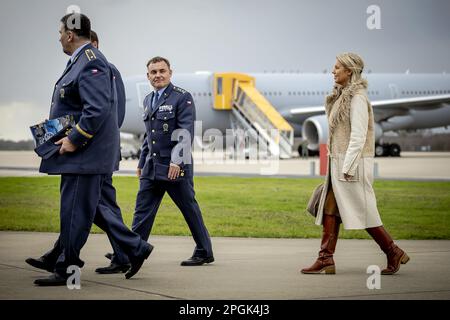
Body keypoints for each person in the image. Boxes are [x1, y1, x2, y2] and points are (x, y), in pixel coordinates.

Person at [29, 13, 152, 286]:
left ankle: (66, 270)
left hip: (84, 154)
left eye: (60, 32)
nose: (59, 37)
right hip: (81, 154)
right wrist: (46, 136)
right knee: (86, 210)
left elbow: (97, 110)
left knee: (75, 213)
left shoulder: (91, 63)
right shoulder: (79, 63)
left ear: (70, 34)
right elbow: (75, 108)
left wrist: (74, 139)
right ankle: (134, 248)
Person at [301, 53, 410, 275]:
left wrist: (348, 167)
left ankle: (393, 251)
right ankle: (325, 258)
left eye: (337, 67)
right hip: (339, 164)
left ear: (349, 71)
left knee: (365, 213)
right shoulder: (342, 97)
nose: (333, 71)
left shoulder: (358, 97)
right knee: (330, 209)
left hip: (352, 165)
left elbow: (359, 136)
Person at [100, 56, 214, 268]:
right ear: (148, 76)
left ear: (170, 73)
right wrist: (141, 162)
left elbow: (184, 133)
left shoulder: (182, 98)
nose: (158, 75)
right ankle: (128, 255)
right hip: (152, 167)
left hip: (174, 168)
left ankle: (204, 251)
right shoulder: (148, 100)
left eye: (162, 71)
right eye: (153, 72)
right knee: (141, 212)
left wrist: (177, 162)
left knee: (189, 209)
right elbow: (149, 136)